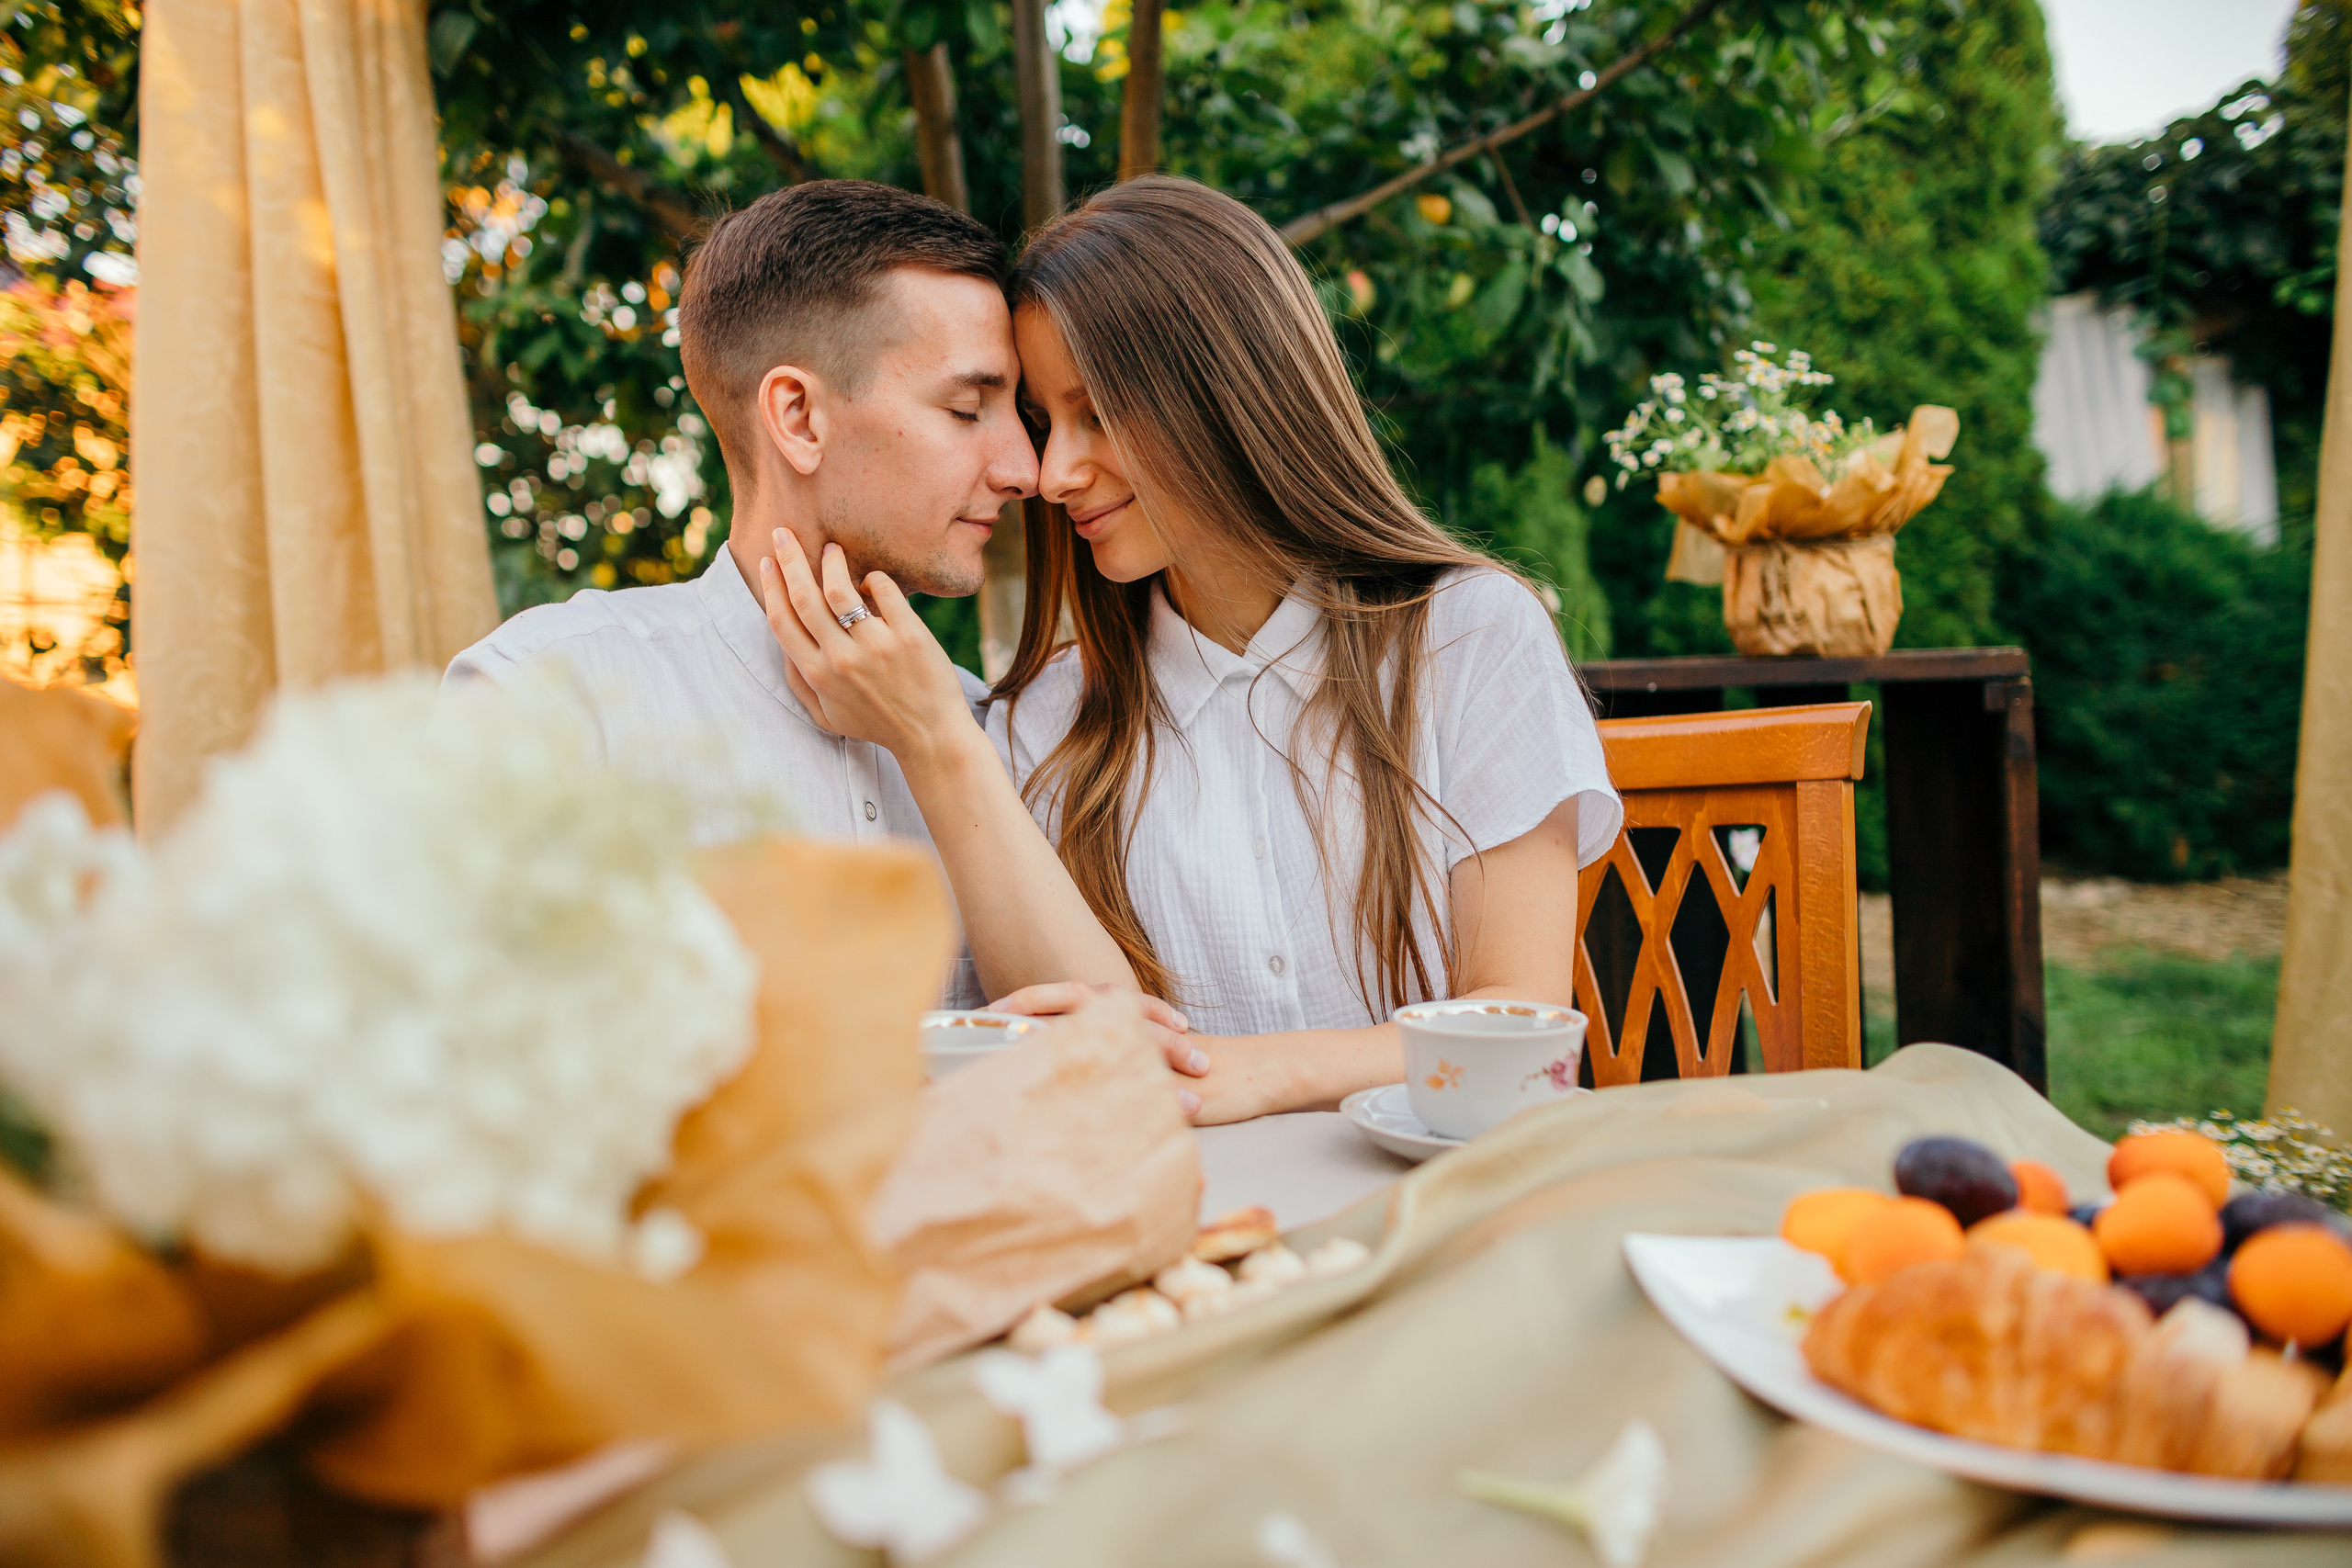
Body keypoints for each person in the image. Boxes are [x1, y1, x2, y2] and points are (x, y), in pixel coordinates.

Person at [760, 176, 1621, 1122]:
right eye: (1047, 426)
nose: (1051, 476)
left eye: (1099, 415)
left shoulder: (1468, 636)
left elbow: (1516, 1022)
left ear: (1227, 394)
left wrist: (1255, 1069)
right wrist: (935, 742)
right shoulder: (1044, 720)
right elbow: (1093, 1064)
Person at [442, 180, 1146, 1015]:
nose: (1024, 471)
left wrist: (936, 739)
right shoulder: (552, 702)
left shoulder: (988, 729)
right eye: (967, 409)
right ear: (799, 418)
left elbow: (1123, 1052)